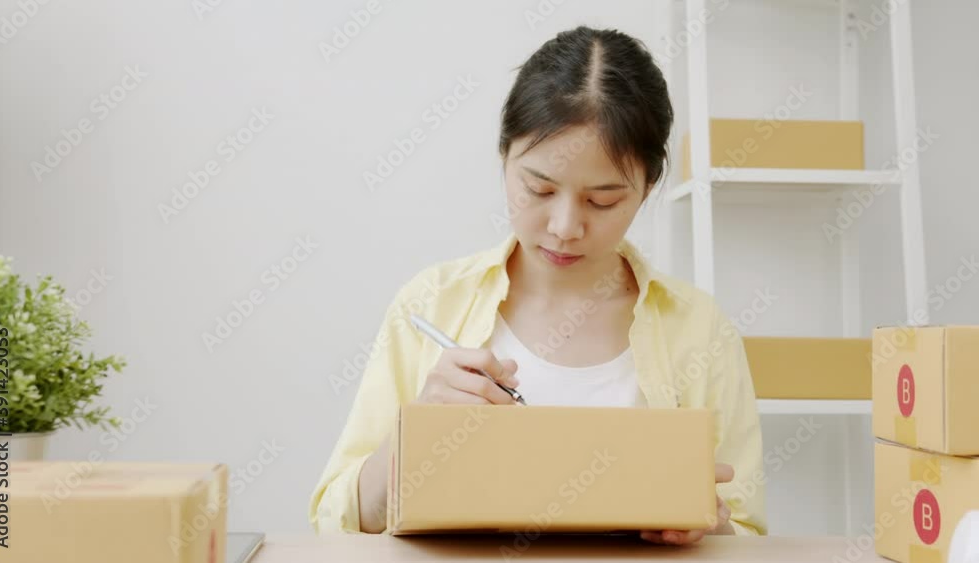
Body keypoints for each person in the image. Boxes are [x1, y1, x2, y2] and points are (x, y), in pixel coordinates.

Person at [310, 25, 767, 543]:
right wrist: (412, 438)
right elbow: (334, 521)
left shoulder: (700, 330)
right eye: (539, 189)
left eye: (602, 201)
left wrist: (711, 527)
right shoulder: (432, 303)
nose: (565, 227)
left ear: (648, 187)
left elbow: (749, 532)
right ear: (504, 157)